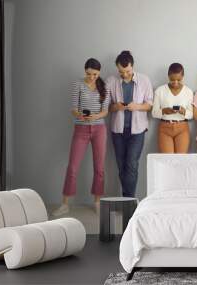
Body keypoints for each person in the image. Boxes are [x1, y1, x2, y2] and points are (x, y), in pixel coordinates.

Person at [52, 58, 110, 216]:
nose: (92, 77)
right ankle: (65, 204)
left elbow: (105, 111)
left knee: (99, 168)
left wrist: (95, 116)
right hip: (81, 129)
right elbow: (73, 108)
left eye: (95, 74)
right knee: (72, 167)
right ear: (85, 71)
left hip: (99, 129)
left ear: (99, 72)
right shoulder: (77, 84)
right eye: (89, 74)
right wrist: (80, 115)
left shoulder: (104, 86)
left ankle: (97, 202)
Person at [106, 51, 153, 197]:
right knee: (121, 166)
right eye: (121, 71)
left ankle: (128, 200)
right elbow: (106, 108)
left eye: (127, 71)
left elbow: (149, 104)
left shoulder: (145, 80)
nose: (125, 74)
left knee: (132, 165)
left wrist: (137, 106)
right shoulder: (111, 81)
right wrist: (117, 107)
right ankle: (127, 200)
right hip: (118, 130)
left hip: (137, 131)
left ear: (133, 67)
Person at [152, 63, 193, 153]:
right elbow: (154, 113)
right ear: (168, 76)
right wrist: (164, 111)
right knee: (167, 160)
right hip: (165, 128)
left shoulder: (188, 92)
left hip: (182, 128)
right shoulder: (160, 90)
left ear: (183, 76)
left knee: (180, 160)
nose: (175, 82)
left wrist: (183, 111)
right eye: (172, 79)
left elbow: (191, 115)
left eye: (179, 80)